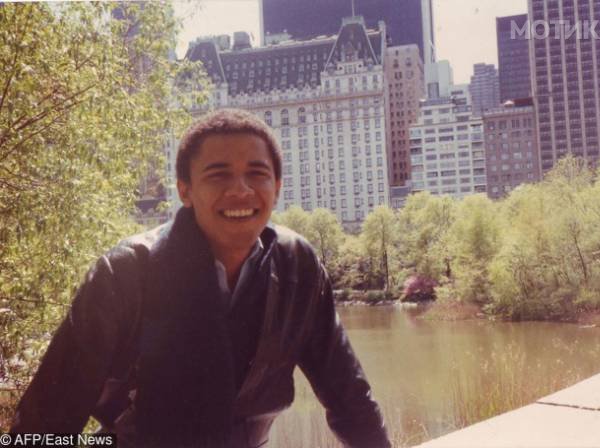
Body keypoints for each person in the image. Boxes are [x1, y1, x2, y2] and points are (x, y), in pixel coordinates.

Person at [11, 109, 392, 448]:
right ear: (185, 190)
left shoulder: (298, 266)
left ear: (276, 187)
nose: (240, 189)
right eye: (218, 174)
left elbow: (349, 397)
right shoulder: (124, 274)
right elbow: (43, 424)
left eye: (257, 174)